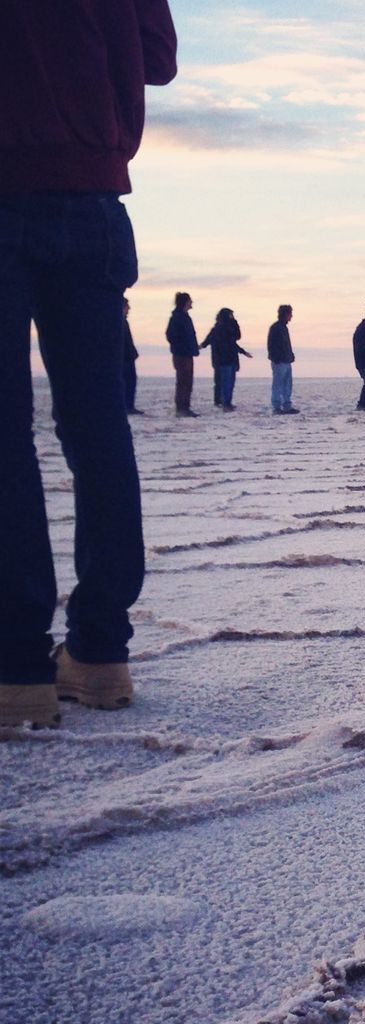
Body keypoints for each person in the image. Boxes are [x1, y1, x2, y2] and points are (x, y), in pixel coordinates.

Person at [0, 0, 178, 729]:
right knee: (98, 426)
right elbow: (159, 59)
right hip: (95, 199)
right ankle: (101, 650)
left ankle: (15, 663)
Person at [200, 307, 252, 410]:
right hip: (223, 360)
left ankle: (225, 402)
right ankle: (224, 402)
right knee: (225, 383)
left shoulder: (228, 329)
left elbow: (236, 339)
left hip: (229, 359)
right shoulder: (218, 329)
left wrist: (243, 352)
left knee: (228, 383)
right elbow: (207, 341)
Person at [165, 291, 199, 417]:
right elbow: (171, 335)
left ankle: (185, 406)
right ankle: (181, 408)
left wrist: (193, 348)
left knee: (187, 381)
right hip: (181, 354)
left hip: (187, 353)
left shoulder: (184, 317)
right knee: (183, 381)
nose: (191, 303)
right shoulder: (177, 317)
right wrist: (181, 347)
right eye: (190, 300)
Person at [267, 304, 299, 414]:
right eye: (290, 314)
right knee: (278, 384)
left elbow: (286, 344)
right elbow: (271, 345)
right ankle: (277, 406)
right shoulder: (276, 327)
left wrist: (290, 355)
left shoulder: (283, 327)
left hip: (286, 360)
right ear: (286, 314)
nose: (291, 316)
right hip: (279, 361)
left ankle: (286, 405)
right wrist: (276, 358)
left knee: (287, 384)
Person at [122, 298, 142, 414]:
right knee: (127, 382)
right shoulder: (119, 322)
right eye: (127, 306)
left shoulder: (124, 322)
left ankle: (129, 405)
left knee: (131, 382)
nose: (129, 309)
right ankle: (127, 406)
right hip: (124, 358)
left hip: (129, 357)